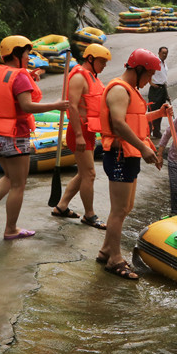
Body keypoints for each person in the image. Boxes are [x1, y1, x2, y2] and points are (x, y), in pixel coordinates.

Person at [0, 36, 69, 240]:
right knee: (19, 184)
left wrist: (28, 77)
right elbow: (27, 106)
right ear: (16, 54)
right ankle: (11, 229)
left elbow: (11, 90)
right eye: (27, 53)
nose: (29, 57)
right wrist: (56, 105)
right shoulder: (20, 76)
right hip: (14, 135)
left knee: (10, 177)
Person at [97, 48, 171, 280]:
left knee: (125, 207)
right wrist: (143, 148)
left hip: (129, 155)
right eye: (148, 75)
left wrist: (158, 113)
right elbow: (118, 124)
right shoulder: (119, 90)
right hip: (120, 156)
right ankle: (115, 259)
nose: (150, 80)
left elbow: (135, 121)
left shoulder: (130, 90)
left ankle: (106, 249)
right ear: (138, 70)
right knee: (119, 210)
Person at [51, 43, 111, 230]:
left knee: (84, 173)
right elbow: (73, 106)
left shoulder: (93, 77)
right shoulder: (78, 76)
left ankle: (61, 207)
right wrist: (78, 135)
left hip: (89, 131)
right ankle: (89, 215)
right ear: (91, 59)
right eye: (102, 61)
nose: (104, 65)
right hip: (79, 132)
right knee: (89, 174)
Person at [147, 46, 169, 138]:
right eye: (163, 53)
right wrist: (151, 82)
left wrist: (166, 94)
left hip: (162, 89)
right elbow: (148, 71)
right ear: (159, 53)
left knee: (160, 111)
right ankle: (147, 132)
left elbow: (164, 78)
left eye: (166, 53)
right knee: (152, 111)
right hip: (155, 90)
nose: (164, 55)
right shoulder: (155, 62)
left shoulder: (164, 64)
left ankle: (156, 131)